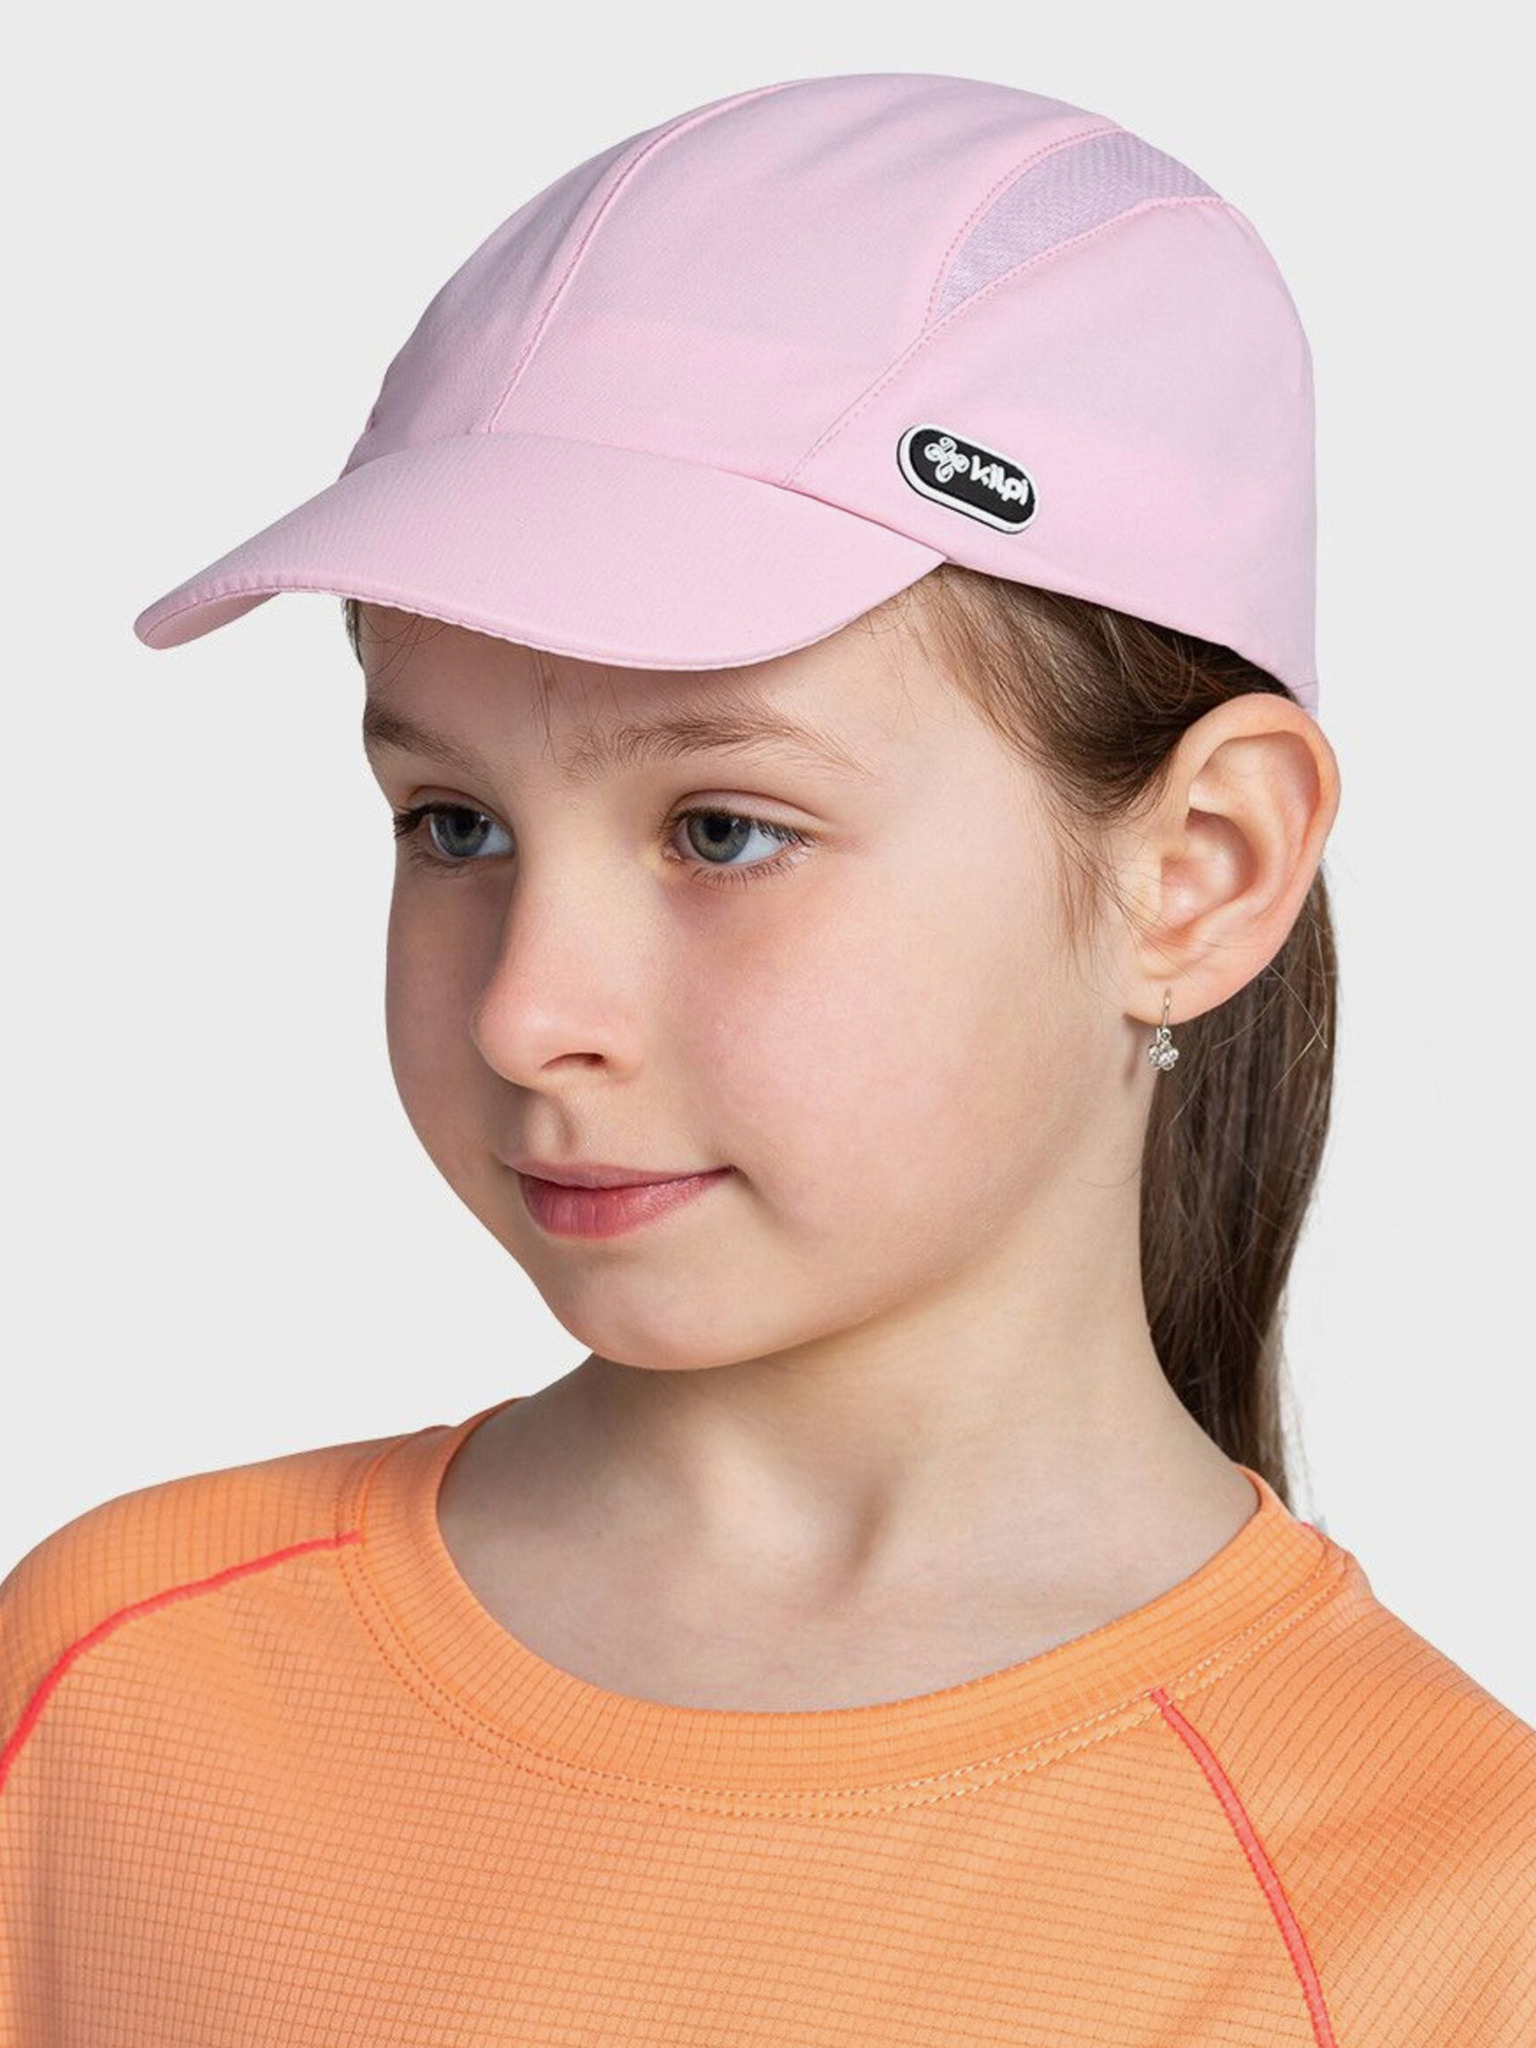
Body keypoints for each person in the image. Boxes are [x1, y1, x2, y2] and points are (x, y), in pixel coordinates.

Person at [2, 69, 1531, 2045]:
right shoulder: (114, 1694)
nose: (526, 1011)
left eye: (724, 829)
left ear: (1198, 873)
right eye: (454, 823)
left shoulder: (1441, 1926)